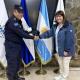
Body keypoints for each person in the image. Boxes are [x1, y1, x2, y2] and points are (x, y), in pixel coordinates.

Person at [38, 11, 75, 80]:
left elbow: (70, 39)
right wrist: (39, 36)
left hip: (66, 51)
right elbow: (48, 33)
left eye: (60, 16)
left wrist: (66, 50)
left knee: (65, 64)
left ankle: (64, 77)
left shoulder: (68, 26)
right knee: (61, 64)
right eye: (57, 16)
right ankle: (61, 75)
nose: (58, 18)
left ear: (63, 17)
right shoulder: (55, 26)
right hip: (58, 50)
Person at [4, 4, 37, 80]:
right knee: (12, 66)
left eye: (22, 12)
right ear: (14, 12)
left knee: (17, 64)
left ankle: (16, 77)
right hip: (11, 47)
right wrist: (32, 37)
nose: (21, 14)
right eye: (19, 12)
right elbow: (21, 33)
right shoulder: (12, 22)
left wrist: (32, 32)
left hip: (17, 46)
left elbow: (22, 31)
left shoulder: (19, 21)